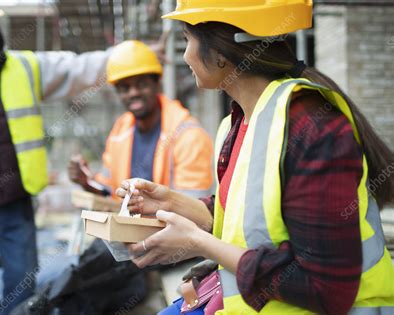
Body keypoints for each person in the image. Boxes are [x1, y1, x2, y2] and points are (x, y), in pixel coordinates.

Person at [116, 1, 394, 314]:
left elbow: (325, 290)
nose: (184, 57)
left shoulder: (313, 128)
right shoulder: (240, 122)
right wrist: (172, 203)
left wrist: (196, 243)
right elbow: (248, 222)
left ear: (220, 52)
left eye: (187, 40)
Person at [0, 0, 132, 313]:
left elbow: (76, 67)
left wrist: (128, 55)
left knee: (22, 285)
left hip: (15, 204)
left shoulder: (25, 67)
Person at [68, 40, 213, 199]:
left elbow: (193, 206)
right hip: (127, 223)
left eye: (141, 84)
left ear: (157, 83)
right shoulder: (121, 130)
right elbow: (109, 190)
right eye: (125, 88)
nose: (133, 93)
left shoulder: (187, 136)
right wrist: (86, 182)